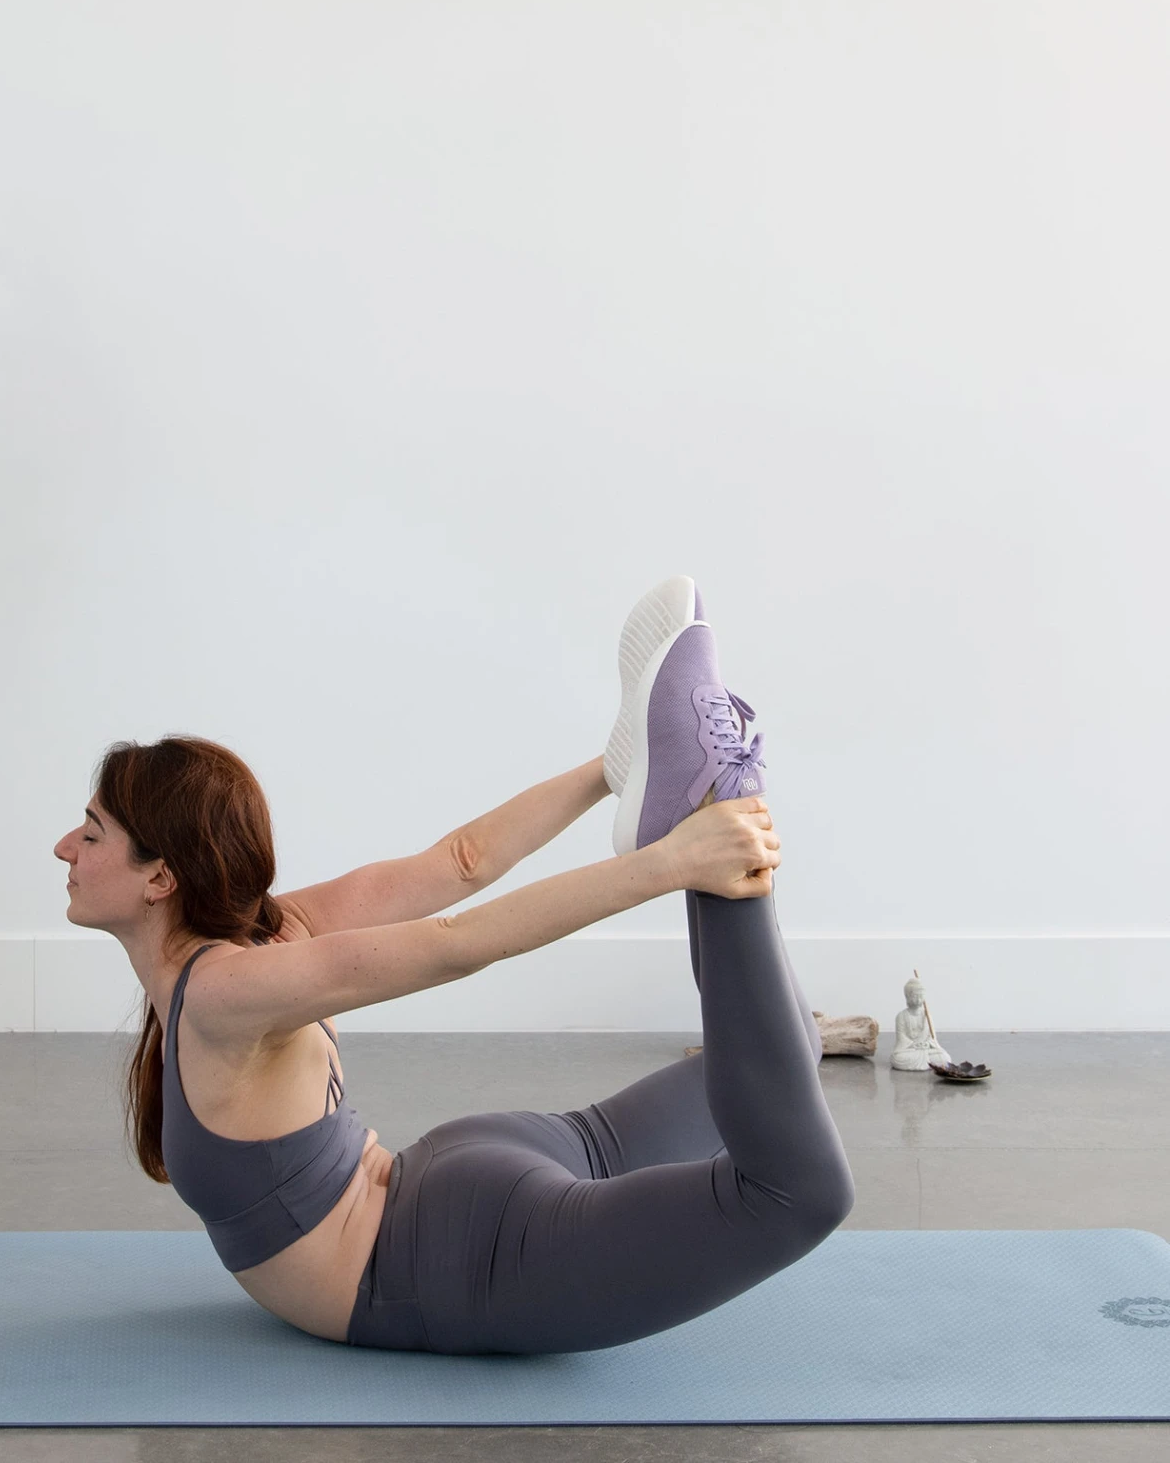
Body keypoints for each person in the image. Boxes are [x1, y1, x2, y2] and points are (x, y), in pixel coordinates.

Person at [54, 576, 855, 1355]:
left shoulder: (223, 991)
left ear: (161, 877)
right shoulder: (275, 930)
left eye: (90, 835)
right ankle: (706, 796)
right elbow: (462, 862)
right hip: (465, 1176)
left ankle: (710, 810)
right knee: (785, 1058)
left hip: (451, 1259)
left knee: (797, 1194)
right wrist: (610, 778)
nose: (65, 847)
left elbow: (456, 940)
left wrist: (672, 861)